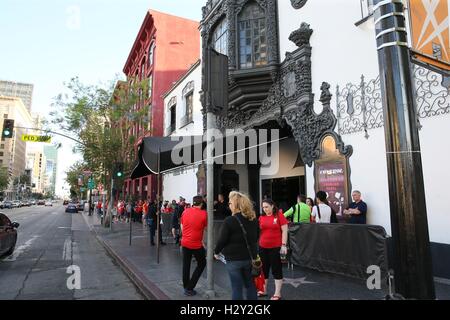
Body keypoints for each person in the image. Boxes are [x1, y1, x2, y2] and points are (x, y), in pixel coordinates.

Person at [214, 191, 258, 300]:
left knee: (237, 287)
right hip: (250, 258)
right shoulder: (253, 220)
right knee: (250, 285)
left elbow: (221, 240)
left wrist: (216, 252)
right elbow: (256, 237)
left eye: (230, 203)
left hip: (233, 260)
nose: (229, 205)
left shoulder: (229, 220)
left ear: (235, 205)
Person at [258, 199, 289, 300]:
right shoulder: (261, 217)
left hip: (276, 247)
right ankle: (263, 290)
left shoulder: (279, 215)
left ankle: (277, 293)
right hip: (263, 247)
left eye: (267, 207)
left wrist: (283, 245)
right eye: (263, 207)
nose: (265, 209)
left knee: (276, 270)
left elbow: (285, 230)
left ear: (272, 206)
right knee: (263, 270)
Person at [180, 195, 208, 296]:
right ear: (201, 203)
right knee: (202, 263)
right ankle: (190, 287)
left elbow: (182, 226)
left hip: (185, 242)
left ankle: (186, 286)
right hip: (196, 244)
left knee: (186, 264)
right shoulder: (204, 214)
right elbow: (206, 228)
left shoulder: (185, 211)